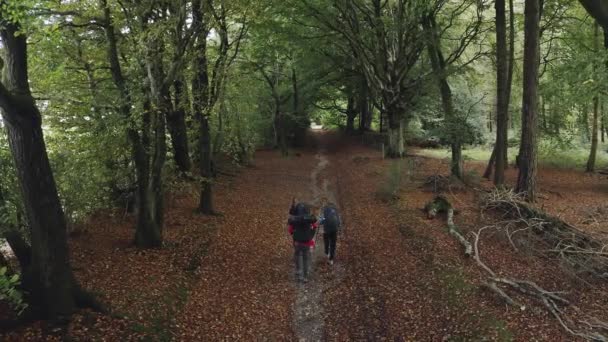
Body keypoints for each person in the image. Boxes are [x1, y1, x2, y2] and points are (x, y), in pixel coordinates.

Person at [287, 201, 318, 283]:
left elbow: (290, 226)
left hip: (297, 241)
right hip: (306, 241)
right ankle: (305, 277)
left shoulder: (295, 220)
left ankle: (298, 271)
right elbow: (314, 224)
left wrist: (294, 234)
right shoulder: (309, 219)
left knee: (297, 255)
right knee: (305, 258)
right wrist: (310, 236)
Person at [319, 197, 341, 265]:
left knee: (326, 241)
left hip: (327, 229)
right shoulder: (335, 210)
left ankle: (327, 252)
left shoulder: (324, 210)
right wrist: (339, 228)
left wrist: (320, 222)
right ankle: (331, 259)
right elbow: (338, 220)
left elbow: (322, 220)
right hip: (334, 229)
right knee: (333, 244)